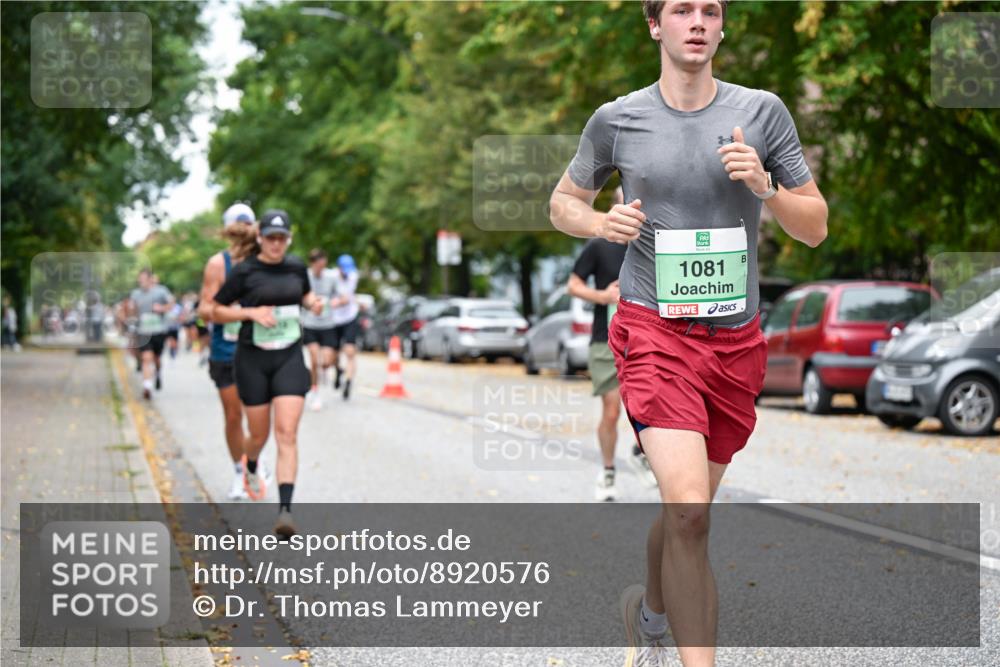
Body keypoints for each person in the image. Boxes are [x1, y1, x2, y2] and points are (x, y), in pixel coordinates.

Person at [549, 2, 828, 665]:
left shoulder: (762, 112)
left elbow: (815, 226)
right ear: (656, 25)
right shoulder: (618, 119)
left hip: (735, 343)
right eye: (682, 10)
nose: (697, 21)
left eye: (710, 10)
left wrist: (765, 187)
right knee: (691, 511)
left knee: (686, 511)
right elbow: (562, 203)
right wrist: (600, 224)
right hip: (654, 331)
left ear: (722, 27)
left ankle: (648, 614)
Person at [211, 209, 324, 537]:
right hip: (253, 360)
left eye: (282, 238)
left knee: (286, 433)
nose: (276, 244)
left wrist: (313, 303)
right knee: (258, 435)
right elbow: (213, 310)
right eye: (271, 238)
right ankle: (250, 463)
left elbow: (304, 294)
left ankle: (285, 512)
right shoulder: (245, 271)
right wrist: (249, 313)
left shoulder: (296, 266)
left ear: (289, 239)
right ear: (260, 238)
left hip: (289, 356)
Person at [568, 186, 656, 502]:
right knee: (611, 409)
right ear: (617, 206)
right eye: (628, 200)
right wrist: (603, 296)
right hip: (605, 339)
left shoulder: (655, 244)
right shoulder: (599, 245)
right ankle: (607, 471)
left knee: (650, 407)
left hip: (648, 339)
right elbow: (573, 285)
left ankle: (641, 452)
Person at [197, 203, 271, 501]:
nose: (243, 232)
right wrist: (240, 311)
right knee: (233, 414)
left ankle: (254, 459)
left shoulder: (266, 260)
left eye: (248, 226)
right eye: (237, 226)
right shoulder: (218, 264)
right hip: (225, 349)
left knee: (258, 414)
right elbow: (205, 309)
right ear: (228, 231)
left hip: (260, 348)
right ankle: (239, 471)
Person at [127, 269, 175, 400]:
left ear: (149, 279)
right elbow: (132, 310)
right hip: (143, 331)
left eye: (143, 278)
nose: (140, 281)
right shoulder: (135, 294)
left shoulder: (161, 291)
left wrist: (162, 308)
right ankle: (147, 386)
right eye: (139, 279)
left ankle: (158, 372)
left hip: (159, 331)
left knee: (156, 359)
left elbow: (172, 304)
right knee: (146, 358)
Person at [301, 249, 339, 411]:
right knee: (314, 359)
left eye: (323, 266)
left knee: (326, 362)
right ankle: (314, 390)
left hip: (327, 324)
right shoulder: (305, 276)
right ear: (312, 264)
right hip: (310, 324)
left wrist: (337, 302)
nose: (320, 269)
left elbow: (339, 295)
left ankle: (328, 371)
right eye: (318, 266)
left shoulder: (331, 277)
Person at [329, 254, 360, 400]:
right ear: (339, 268)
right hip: (334, 319)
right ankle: (338, 370)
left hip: (349, 317)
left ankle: (348, 381)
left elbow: (347, 298)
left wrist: (338, 302)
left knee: (350, 351)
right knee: (332, 355)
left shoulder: (353, 276)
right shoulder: (331, 276)